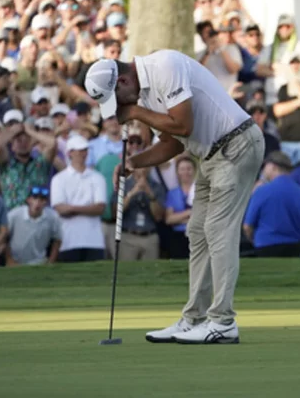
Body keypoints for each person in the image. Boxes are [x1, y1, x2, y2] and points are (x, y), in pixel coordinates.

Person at [83, 50, 265, 345]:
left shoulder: (165, 66)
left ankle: (222, 321)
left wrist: (137, 113)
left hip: (237, 145)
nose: (123, 108)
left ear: (124, 80)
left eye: (119, 101)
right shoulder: (144, 95)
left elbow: (183, 126)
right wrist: (134, 163)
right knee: (197, 232)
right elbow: (172, 144)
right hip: (210, 155)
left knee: (218, 231)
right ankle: (194, 318)